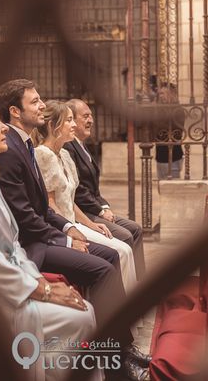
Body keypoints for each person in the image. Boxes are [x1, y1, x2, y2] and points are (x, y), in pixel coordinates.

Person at [0, 79, 150, 380]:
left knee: (112, 256)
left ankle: (122, 350)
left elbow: (42, 207)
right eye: (35, 101)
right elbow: (25, 217)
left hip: (46, 232)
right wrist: (65, 238)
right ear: (15, 111)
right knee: (104, 269)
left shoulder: (22, 142)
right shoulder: (11, 150)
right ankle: (118, 365)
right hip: (32, 245)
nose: (42, 105)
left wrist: (68, 227)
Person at [0, 96, 99, 380]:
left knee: (84, 310)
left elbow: (13, 244)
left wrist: (39, 281)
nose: (4, 128)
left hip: (14, 278)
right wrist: (42, 291)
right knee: (80, 317)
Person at [34, 100, 137, 293]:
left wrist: (92, 225)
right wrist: (71, 229)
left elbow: (70, 201)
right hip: (62, 226)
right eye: (69, 120)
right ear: (52, 126)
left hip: (75, 221)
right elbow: (50, 203)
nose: (74, 125)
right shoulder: (42, 155)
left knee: (125, 248)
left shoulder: (64, 154)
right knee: (121, 251)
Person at [66, 99, 146, 280]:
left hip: (94, 208)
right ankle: (127, 286)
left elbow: (94, 188)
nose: (91, 120)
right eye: (85, 116)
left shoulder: (82, 145)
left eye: (91, 116)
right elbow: (78, 191)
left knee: (136, 229)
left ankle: (141, 280)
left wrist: (105, 207)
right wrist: (100, 212)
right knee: (125, 236)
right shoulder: (68, 147)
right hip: (84, 212)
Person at [154, 84, 185, 180]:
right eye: (160, 94)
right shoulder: (160, 109)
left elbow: (176, 131)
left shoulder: (177, 109)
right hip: (161, 154)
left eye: (163, 93)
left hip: (173, 154)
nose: (161, 96)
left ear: (171, 94)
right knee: (162, 186)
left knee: (173, 187)